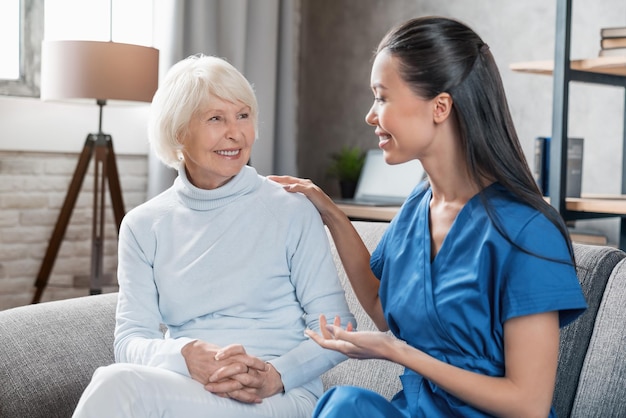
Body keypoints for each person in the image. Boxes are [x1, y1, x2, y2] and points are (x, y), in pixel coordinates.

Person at [269, 16, 587, 418]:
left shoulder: (527, 232)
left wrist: (400, 353)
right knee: (345, 405)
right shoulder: (417, 208)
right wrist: (330, 213)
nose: (371, 115)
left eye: (382, 97)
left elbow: (529, 404)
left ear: (440, 107)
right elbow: (380, 306)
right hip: (416, 411)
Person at [72, 54, 355, 418]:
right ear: (178, 132)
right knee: (118, 382)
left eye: (243, 115)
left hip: (280, 397)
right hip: (186, 389)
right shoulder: (144, 225)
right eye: (215, 118)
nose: (235, 133)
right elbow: (130, 340)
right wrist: (183, 356)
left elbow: (339, 328)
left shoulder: (290, 209)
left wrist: (275, 375)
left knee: (118, 387)